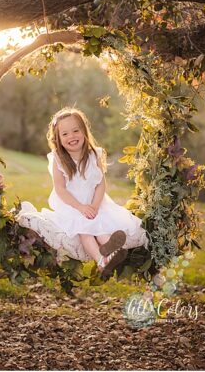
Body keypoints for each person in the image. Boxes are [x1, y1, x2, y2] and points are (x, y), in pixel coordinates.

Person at [42, 107, 143, 277]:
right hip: (71, 205)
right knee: (85, 228)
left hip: (95, 202)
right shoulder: (58, 158)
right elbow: (60, 188)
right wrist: (80, 207)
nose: (71, 136)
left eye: (76, 130)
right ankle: (101, 260)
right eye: (65, 134)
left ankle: (111, 251)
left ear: (84, 131)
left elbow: (100, 185)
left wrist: (95, 206)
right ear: (57, 138)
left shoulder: (94, 154)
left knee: (101, 225)